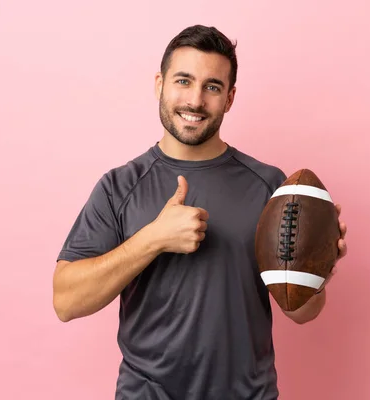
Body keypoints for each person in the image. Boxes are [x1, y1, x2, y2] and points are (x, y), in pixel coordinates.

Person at [53, 24, 348, 400]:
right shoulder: (119, 187)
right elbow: (65, 302)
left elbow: (303, 313)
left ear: (230, 98)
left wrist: (317, 267)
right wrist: (152, 239)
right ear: (159, 84)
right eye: (183, 80)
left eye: (212, 86)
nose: (195, 100)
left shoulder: (272, 187)